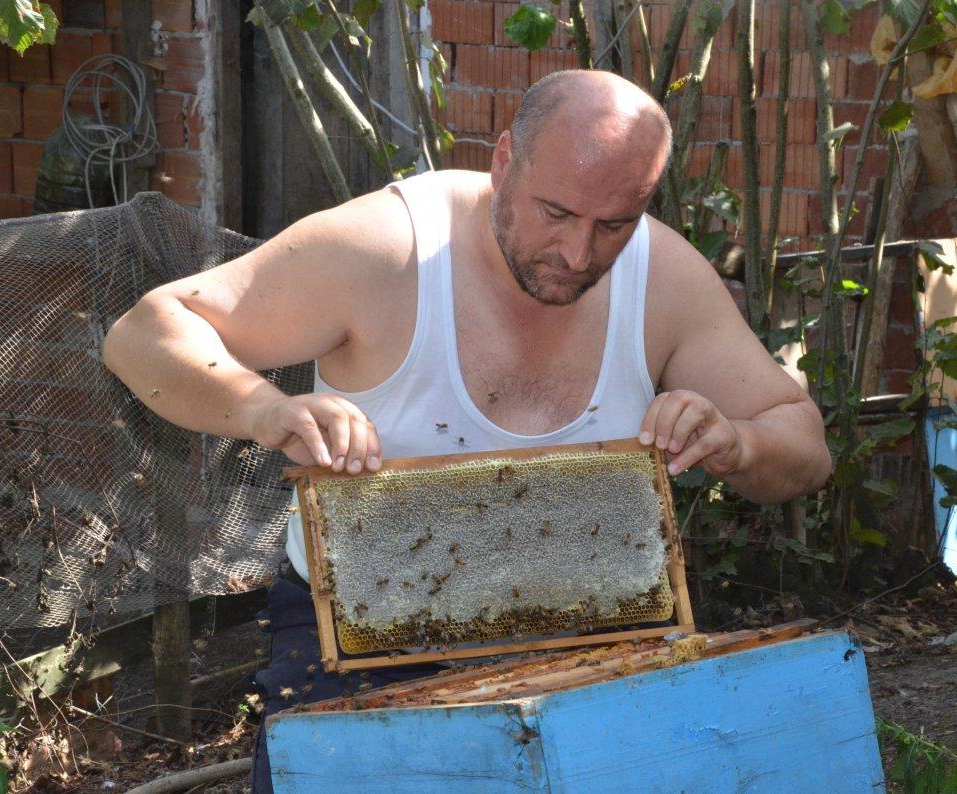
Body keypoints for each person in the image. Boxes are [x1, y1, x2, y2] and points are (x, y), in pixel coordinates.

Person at [103, 69, 831, 791]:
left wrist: (739, 444)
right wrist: (262, 408)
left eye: (614, 225)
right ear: (504, 162)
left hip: (594, 639)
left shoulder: (663, 275)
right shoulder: (386, 246)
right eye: (555, 212)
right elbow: (144, 332)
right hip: (364, 642)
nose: (579, 254)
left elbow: (803, 442)